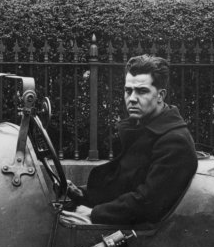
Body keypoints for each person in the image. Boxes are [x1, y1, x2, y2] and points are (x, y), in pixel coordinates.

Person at [60, 54, 197, 226]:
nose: (132, 98)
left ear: (161, 95)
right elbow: (123, 185)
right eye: (128, 90)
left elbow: (149, 202)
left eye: (142, 91)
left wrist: (94, 214)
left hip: (140, 237)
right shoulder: (142, 128)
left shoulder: (174, 142)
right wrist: (82, 194)